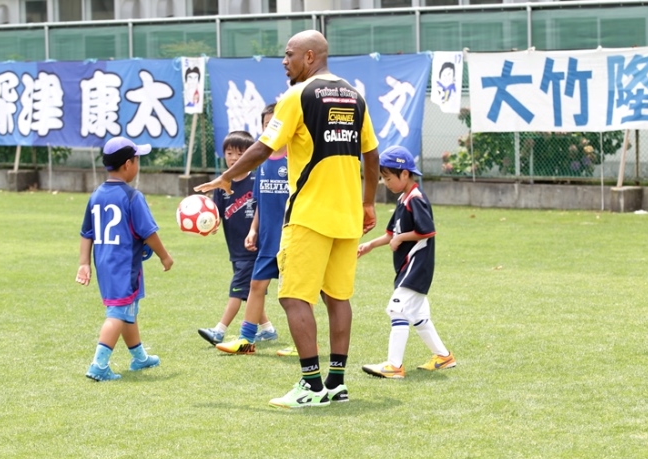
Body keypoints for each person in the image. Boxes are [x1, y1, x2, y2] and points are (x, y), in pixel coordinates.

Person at [195, 29, 380, 409]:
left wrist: (227, 176)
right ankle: (337, 384)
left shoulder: (297, 96)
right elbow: (372, 154)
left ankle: (312, 385)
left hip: (309, 215)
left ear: (310, 56)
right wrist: (368, 204)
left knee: (294, 297)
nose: (284, 61)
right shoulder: (354, 96)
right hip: (347, 215)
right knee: (338, 297)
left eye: (289, 54)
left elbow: (264, 146)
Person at [76, 136, 174, 382]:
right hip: (124, 266)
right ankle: (99, 365)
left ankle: (139, 357)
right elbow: (148, 232)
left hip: (105, 264)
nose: (138, 165)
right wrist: (164, 256)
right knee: (117, 313)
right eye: (137, 160)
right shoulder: (132, 197)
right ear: (128, 164)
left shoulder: (96, 195)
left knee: (128, 309)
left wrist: (84, 263)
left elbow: (86, 233)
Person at [358, 145, 455, 379]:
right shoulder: (404, 199)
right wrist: (370, 245)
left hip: (416, 267)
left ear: (404, 173)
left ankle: (394, 366)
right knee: (419, 317)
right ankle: (444, 357)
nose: (385, 183)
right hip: (407, 268)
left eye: (388, 178)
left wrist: (401, 238)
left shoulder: (416, 199)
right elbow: (392, 233)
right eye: (383, 178)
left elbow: (427, 231)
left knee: (396, 310)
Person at [197, 131, 277, 346]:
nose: (234, 158)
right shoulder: (222, 185)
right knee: (250, 291)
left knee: (237, 290)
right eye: (229, 153)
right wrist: (210, 225)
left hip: (253, 248)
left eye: (240, 154)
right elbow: (217, 214)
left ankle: (219, 330)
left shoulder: (256, 179)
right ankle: (267, 329)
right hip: (235, 250)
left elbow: (264, 208)